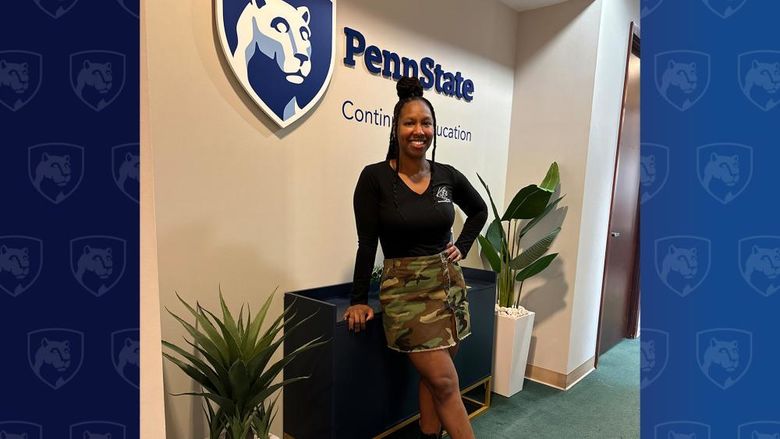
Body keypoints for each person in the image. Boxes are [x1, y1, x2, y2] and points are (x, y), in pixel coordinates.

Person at [344, 76, 488, 439]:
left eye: (426, 123)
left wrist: (465, 245)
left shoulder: (446, 176)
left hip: (448, 287)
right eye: (410, 122)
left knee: (434, 380)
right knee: (444, 380)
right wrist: (358, 300)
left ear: (434, 129)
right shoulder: (374, 178)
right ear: (396, 128)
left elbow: (479, 211)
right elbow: (367, 242)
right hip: (405, 293)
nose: (418, 130)